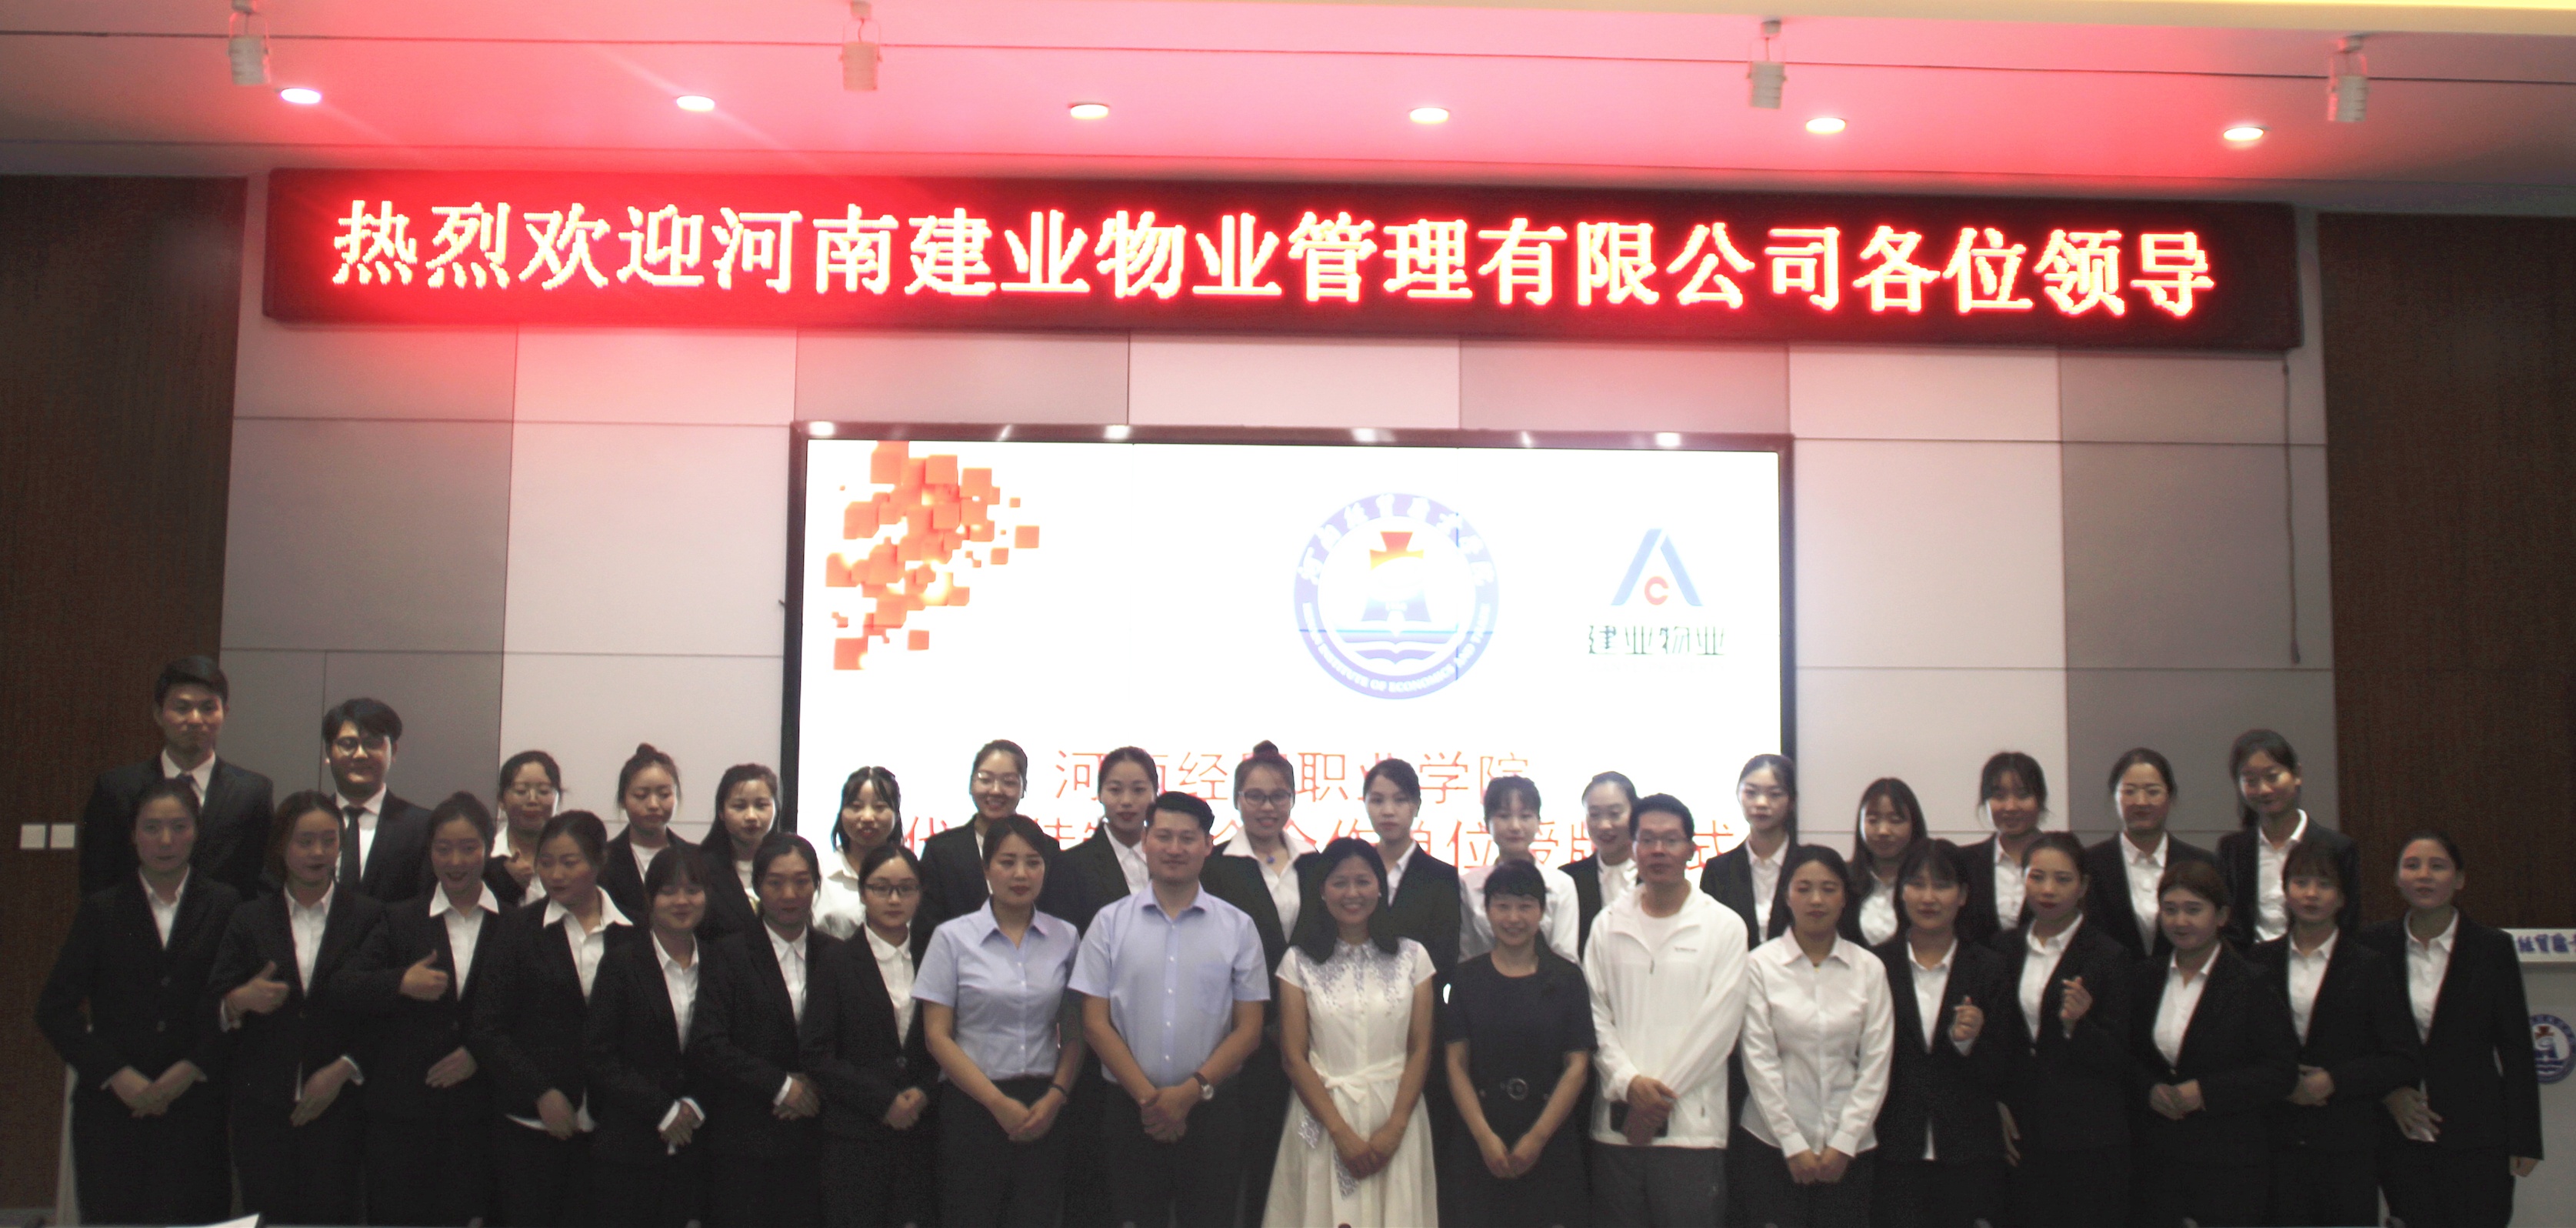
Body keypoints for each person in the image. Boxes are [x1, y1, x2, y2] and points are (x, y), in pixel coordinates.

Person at [38, 778, 238, 1225]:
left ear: (197, 831)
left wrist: (190, 1068)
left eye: (179, 827)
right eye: (151, 828)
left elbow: (233, 1006)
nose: (165, 840)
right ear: (132, 835)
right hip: (113, 1110)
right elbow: (54, 1009)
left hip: (196, 1107)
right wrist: (115, 1074)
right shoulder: (101, 909)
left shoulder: (226, 906)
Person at [1071, 790, 1271, 1228]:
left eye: (1187, 838)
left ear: (1208, 845)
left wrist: (1188, 1094)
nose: (1175, 849)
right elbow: (1095, 1023)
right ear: (1145, 841)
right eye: (1164, 837)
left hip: (1212, 1111)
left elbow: (1249, 1029)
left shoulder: (1238, 927)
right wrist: (1152, 1101)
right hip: (1130, 1111)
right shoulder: (1109, 923)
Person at [210, 790, 388, 1224]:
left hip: (341, 1106)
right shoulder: (249, 918)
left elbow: (384, 1012)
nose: (318, 852)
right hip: (261, 1108)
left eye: (329, 841)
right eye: (305, 841)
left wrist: (343, 1068)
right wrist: (239, 1000)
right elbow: (213, 1001)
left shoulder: (368, 916)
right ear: (281, 847)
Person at [2359, 832, 2543, 1228]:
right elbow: (2358, 1040)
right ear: (2397, 878)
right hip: (2399, 1133)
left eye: (2438, 866)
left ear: (2459, 879)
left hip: (2477, 1134)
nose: (2424, 875)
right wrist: (2388, 1093)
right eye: (2412, 866)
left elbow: (2515, 1048)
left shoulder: (2491, 948)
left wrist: (2525, 1138)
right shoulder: (2372, 946)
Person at [1586, 793, 1750, 1228]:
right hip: (1616, 1129)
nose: (1658, 850)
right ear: (1634, 847)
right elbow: (1595, 1016)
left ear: (1692, 849)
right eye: (1648, 840)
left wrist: (1652, 1105)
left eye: (1671, 840)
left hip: (1692, 1132)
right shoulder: (1607, 924)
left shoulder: (1724, 926)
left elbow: (1720, 1028)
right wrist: (1628, 1082)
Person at [344, 791, 508, 1226]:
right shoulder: (399, 918)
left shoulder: (515, 924)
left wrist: (480, 1054)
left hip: (479, 1117)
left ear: (489, 847)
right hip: (402, 1116)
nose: (456, 861)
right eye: (443, 849)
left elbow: (530, 1014)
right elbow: (347, 986)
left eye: (469, 848)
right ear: (429, 850)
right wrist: (399, 981)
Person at [918, 815, 1088, 1226]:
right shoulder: (952, 938)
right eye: (1007, 862)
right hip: (972, 1104)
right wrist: (996, 1103)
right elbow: (937, 1037)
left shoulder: (1066, 937)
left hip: (1043, 1107)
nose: (1021, 874)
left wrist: (1056, 1097)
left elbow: (1076, 1031)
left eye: (1033, 862)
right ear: (986, 868)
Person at [470, 809, 637, 1228]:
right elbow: (488, 1027)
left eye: (569, 862)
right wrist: (540, 1092)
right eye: (545, 863)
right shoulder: (517, 930)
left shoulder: (633, 931)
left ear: (599, 862)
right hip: (530, 1125)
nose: (555, 875)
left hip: (613, 1126)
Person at [1265, 838, 1440, 1227]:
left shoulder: (1413, 957)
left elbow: (1421, 1048)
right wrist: (1340, 1132)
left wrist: (1395, 1127)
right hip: (1323, 1114)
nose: (1352, 893)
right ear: (1322, 891)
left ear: (1380, 887)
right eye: (1340, 882)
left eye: (1363, 881)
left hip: (1396, 1112)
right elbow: (1293, 1057)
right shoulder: (1298, 961)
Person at [2248, 839, 2420, 1226]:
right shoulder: (2257, 962)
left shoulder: (2369, 966)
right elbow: (2242, 1049)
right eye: (2301, 882)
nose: (2311, 894)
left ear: (2342, 898)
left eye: (2324, 885)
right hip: (2274, 1142)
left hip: (2348, 1145)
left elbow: (2401, 1057)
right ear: (2285, 890)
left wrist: (2335, 1080)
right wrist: (2281, 1082)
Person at [2125, 859, 2299, 1228]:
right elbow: (2127, 1056)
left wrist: (2205, 1092)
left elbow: (2281, 1072)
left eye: (2193, 910)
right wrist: (2149, 1088)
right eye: (2170, 910)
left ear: (2221, 916)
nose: (2180, 921)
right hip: (2158, 1160)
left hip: (2229, 1162)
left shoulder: (2253, 983)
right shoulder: (2143, 978)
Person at [1736, 846, 1893, 1228]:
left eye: (1829, 889)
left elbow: (1876, 1064)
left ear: (1845, 898)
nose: (1817, 900)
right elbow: (1759, 1061)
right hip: (1771, 1145)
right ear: (1786, 896)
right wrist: (1792, 1143)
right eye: (1804, 888)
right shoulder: (1759, 965)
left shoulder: (1869, 969)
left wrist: (1845, 1142)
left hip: (1851, 1151)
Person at [690, 833, 838, 1227]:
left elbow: (851, 1040)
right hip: (745, 1140)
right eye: (775, 882)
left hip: (818, 1140)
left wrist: (815, 1085)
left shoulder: (837, 954)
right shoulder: (727, 953)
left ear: (816, 885)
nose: (790, 894)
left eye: (802, 881)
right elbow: (709, 1043)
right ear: (756, 886)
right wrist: (782, 1086)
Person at [1869, 838, 2015, 1228]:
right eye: (1917, 884)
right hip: (1893, 1148)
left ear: (1963, 895)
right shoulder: (1876, 966)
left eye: (1942, 885)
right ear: (1901, 892)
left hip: (1969, 1151)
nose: (1929, 897)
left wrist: (1970, 1043)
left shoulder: (1990, 968)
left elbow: (2006, 1067)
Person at [1445, 860, 1595, 1228]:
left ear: (1542, 912)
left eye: (1525, 906)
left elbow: (1577, 1066)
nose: (1514, 918)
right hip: (1481, 1139)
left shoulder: (1567, 978)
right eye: (1503, 906)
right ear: (1487, 911)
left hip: (1550, 1137)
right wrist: (1484, 1137)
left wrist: (1537, 1138)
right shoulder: (1466, 978)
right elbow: (1455, 1063)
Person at [1993, 831, 2132, 1228]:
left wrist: (2078, 1026)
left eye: (2063, 879)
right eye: (2037, 877)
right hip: (2021, 1128)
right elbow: (2001, 1041)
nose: (2048, 890)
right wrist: (1997, 1102)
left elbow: (2122, 1058)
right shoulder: (2002, 950)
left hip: (2088, 1136)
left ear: (2084, 886)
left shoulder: (2109, 956)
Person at [803, 843, 938, 1228]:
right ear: (862, 893)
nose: (894, 899)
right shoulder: (835, 960)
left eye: (906, 888)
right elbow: (817, 1053)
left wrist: (924, 1091)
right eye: (881, 888)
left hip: (923, 1135)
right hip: (855, 1138)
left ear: (920, 894)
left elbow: (953, 1038)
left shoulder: (937, 955)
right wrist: (883, 1101)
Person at [585, 846, 713, 1228]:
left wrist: (694, 1105)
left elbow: (723, 1049)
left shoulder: (720, 963)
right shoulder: (621, 962)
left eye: (693, 890)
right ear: (650, 898)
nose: (682, 901)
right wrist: (663, 1110)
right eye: (669, 891)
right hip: (628, 1145)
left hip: (699, 1144)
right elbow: (600, 1057)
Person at [76, 655, 275, 899]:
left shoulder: (252, 793)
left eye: (208, 708)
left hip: (226, 923)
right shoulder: (116, 789)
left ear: (225, 713)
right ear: (158, 714)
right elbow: (97, 877)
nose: (195, 720)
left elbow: (262, 880)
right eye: (182, 708)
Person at [1215, 739, 1310, 1221]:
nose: (1267, 807)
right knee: (1242, 1166)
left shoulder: (1316, 864)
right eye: (1255, 796)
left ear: (1293, 799)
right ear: (1237, 800)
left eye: (1278, 796)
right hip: (1239, 1038)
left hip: (1311, 1039)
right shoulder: (1213, 865)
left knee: (1301, 1167)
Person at [917, 739, 1087, 953]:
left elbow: (1058, 922)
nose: (996, 790)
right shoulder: (941, 851)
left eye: (1009, 782)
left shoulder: (1048, 849)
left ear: (1023, 788)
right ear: (971, 784)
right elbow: (926, 931)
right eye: (985, 780)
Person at [2218, 729, 2361, 947]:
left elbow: (2349, 923)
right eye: (2250, 780)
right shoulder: (2232, 849)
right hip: (2249, 964)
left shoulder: (2337, 848)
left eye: (2272, 776)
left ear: (2297, 774)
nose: (2263, 789)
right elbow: (2227, 924)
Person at [2081, 748, 2218, 963]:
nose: (2141, 802)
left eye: (2153, 792)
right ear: (2114, 796)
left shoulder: (2203, 864)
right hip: (2108, 982)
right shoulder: (2088, 864)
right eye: (2129, 791)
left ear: (2170, 797)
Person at [323, 696, 435, 903]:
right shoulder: (304, 824)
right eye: (348, 744)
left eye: (373, 743)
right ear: (328, 752)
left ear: (394, 751)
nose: (360, 754)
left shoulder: (423, 828)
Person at [1461, 776, 1581, 962]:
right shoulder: (1468, 885)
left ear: (1539, 822)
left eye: (1525, 816)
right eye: (1504, 816)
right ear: (1487, 823)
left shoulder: (1561, 885)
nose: (1515, 826)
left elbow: (1566, 956)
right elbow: (1466, 955)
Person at [1362, 757, 1462, 973]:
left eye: (1400, 800)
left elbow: (1446, 957)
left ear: (1416, 806)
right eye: (1377, 801)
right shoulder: (1353, 870)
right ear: (1365, 804)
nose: (1388, 811)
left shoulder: (1442, 878)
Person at [1700, 754, 1797, 943]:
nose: (1761, 803)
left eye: (1775, 794)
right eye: (1751, 793)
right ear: (1738, 795)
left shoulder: (1809, 865)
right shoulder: (1718, 870)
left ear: (1792, 801)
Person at [1062, 746, 1160, 926]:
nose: (1126, 801)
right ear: (1100, 794)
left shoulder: (1173, 858)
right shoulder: (1071, 865)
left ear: (1155, 794)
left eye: (1138, 790)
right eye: (1115, 790)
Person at [1959, 750, 2046, 946]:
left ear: (2040, 800)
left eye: (2023, 795)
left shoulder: (2064, 861)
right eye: (1999, 796)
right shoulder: (1963, 862)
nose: (2011, 807)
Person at [600, 742, 692, 925]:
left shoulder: (696, 858)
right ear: (623, 800)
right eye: (641, 795)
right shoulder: (602, 861)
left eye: (664, 795)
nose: (653, 805)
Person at [698, 762, 783, 942]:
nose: (751, 816)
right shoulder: (699, 868)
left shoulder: (788, 863)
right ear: (721, 812)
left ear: (776, 808)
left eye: (761, 805)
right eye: (739, 806)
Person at [816, 765, 903, 939]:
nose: (867, 817)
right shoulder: (820, 871)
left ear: (896, 814)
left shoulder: (910, 873)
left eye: (879, 807)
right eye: (856, 807)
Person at [1563, 770, 1638, 956]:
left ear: (1635, 813)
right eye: (1594, 815)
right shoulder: (1568, 879)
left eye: (1615, 814)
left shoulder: (1655, 876)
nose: (1604, 825)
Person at [1844, 778, 1925, 947]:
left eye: (1895, 820)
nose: (1883, 831)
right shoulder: (1842, 879)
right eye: (1873, 820)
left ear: (1914, 824)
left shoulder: (1928, 884)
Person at [491, 749, 562, 909]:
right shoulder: (487, 857)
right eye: (521, 791)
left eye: (543, 791)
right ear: (501, 800)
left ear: (558, 798)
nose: (532, 800)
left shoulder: (576, 860)